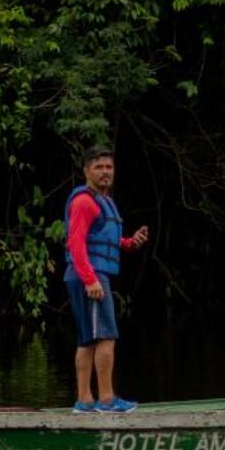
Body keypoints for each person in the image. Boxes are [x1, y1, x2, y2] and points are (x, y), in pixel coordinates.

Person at [63, 146, 150, 413]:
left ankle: (85, 401)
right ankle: (107, 400)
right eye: (99, 167)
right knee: (105, 337)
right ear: (87, 170)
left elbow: (103, 239)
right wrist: (90, 280)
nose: (105, 172)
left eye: (109, 167)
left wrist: (129, 243)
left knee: (88, 339)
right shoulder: (84, 201)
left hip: (89, 274)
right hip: (89, 275)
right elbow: (76, 244)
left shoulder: (104, 200)